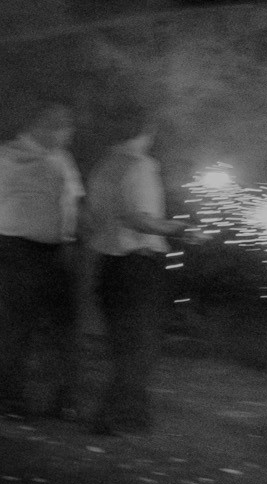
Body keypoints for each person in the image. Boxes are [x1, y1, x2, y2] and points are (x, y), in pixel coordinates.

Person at [82, 119, 193, 434]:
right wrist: (179, 228)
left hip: (109, 266)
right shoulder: (141, 165)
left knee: (125, 345)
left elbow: (94, 216)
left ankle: (136, 416)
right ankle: (110, 417)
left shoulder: (104, 165)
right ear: (150, 132)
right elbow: (142, 220)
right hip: (138, 265)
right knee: (140, 348)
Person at [0, 103, 84, 419]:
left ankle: (62, 400)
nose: (69, 133)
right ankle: (9, 399)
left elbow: (74, 201)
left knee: (62, 325)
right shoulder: (3, 155)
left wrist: (70, 239)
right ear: (44, 125)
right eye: (64, 125)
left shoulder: (62, 159)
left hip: (53, 251)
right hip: (14, 248)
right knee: (17, 325)